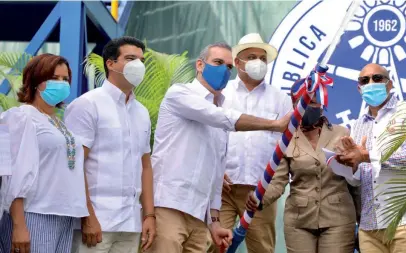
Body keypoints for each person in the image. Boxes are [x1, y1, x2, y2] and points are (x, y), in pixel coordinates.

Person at [150, 42, 292, 253]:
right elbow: (223, 117)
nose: (223, 71)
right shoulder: (180, 94)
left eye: (227, 67)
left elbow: (217, 171)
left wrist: (214, 221)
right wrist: (273, 124)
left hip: (201, 213)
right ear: (200, 65)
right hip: (170, 205)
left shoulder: (276, 98)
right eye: (217, 62)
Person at [65, 36, 156, 253]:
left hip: (131, 223)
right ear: (110, 63)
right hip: (95, 222)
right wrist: (87, 217)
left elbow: (145, 166)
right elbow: (74, 165)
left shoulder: (142, 113)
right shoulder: (87, 105)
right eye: (130, 58)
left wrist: (149, 216)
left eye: (141, 60)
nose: (138, 66)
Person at [245, 81, 359, 253]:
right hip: (299, 220)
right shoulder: (286, 139)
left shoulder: (342, 133)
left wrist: (362, 217)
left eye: (314, 102)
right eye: (304, 101)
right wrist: (259, 198)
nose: (309, 106)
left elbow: (354, 180)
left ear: (322, 105)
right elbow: (278, 182)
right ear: (294, 105)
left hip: (338, 217)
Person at [206, 33, 292, 253]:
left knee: (262, 249)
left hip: (259, 192)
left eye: (262, 58)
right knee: (214, 246)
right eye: (251, 57)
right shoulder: (221, 94)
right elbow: (207, 137)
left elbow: (285, 152)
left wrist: (268, 191)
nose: (258, 63)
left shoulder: (281, 99)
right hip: (221, 190)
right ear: (236, 62)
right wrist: (214, 172)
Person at [336, 63, 406, 253]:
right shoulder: (358, 124)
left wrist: (368, 155)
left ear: (390, 84)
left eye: (377, 78)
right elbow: (356, 180)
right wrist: (349, 165)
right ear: (359, 88)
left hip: (404, 221)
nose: (371, 83)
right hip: (369, 226)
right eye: (365, 80)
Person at [0, 53, 88, 253]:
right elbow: (13, 175)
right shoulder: (21, 117)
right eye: (54, 78)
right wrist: (19, 225)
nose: (61, 84)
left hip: (64, 215)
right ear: (35, 81)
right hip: (34, 214)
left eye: (65, 79)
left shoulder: (57, 121)